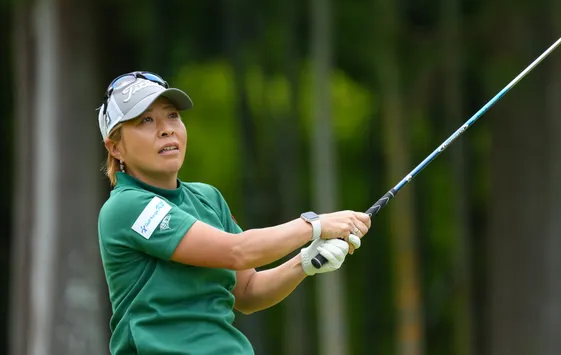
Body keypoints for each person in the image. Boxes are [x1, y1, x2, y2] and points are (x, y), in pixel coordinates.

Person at [96, 71, 371, 355]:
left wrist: (304, 263)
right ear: (115, 148)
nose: (166, 129)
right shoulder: (126, 206)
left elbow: (248, 292)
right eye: (146, 120)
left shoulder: (207, 198)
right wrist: (314, 225)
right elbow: (237, 251)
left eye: (172, 115)